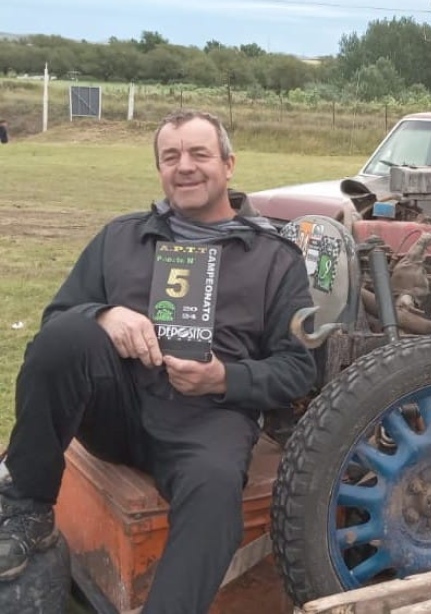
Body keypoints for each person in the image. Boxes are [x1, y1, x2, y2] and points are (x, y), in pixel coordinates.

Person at [0, 110, 317, 612]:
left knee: (215, 496)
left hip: (208, 421)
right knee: (65, 339)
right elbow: (56, 319)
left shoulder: (276, 258)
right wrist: (103, 315)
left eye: (199, 154)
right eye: (171, 157)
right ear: (160, 170)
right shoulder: (121, 238)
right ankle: (27, 509)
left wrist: (222, 378)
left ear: (228, 165)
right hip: (118, 407)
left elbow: (298, 368)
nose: (184, 167)